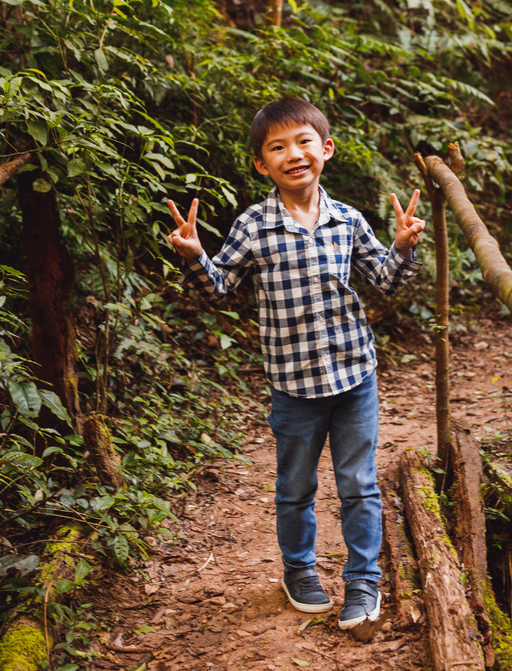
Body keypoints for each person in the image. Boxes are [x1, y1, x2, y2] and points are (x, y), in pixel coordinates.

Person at [164, 96, 425, 629]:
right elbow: (219, 288)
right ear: (262, 164)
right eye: (278, 147)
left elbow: (386, 282)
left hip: (354, 375)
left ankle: (363, 581)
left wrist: (401, 246)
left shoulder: (348, 220)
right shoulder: (253, 225)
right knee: (296, 487)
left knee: (359, 484)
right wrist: (194, 257)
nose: (294, 154)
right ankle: (299, 570)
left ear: (325, 149)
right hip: (293, 384)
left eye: (304, 142)